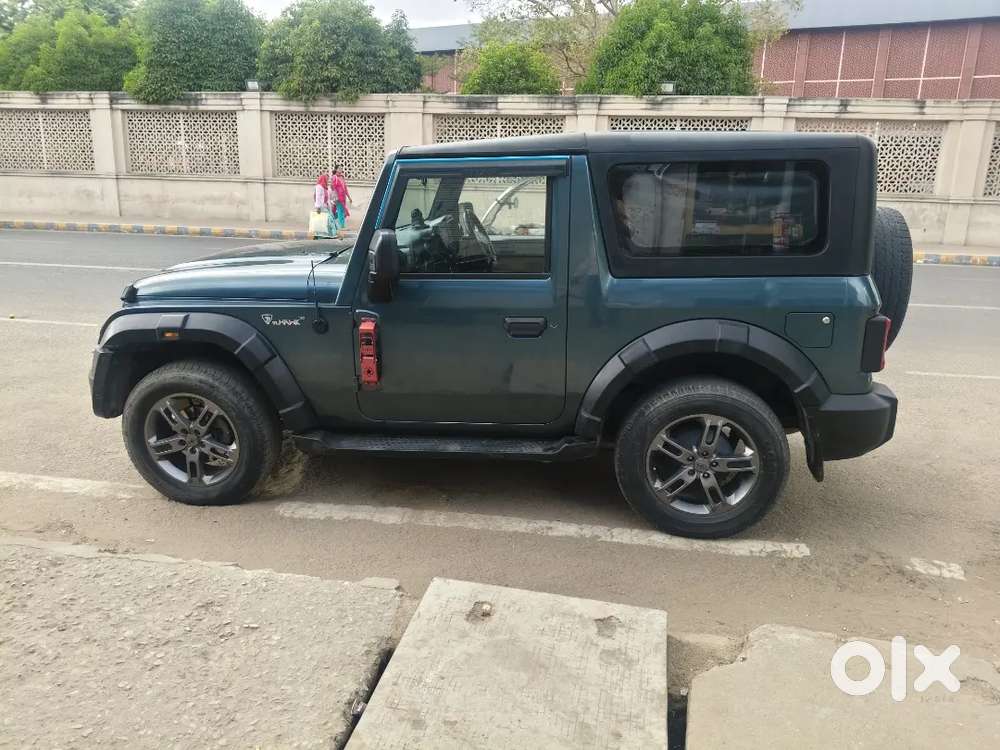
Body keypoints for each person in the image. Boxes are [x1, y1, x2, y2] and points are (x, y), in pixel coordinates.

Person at [329, 165, 352, 231]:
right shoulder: (334, 177)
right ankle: (341, 226)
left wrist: (349, 197)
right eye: (339, 168)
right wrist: (335, 195)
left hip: (343, 197)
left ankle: (331, 219)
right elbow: (332, 187)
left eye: (341, 168)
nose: (341, 169)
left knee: (342, 211)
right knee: (341, 211)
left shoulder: (342, 177)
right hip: (338, 197)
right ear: (336, 169)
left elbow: (345, 188)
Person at [312, 173, 334, 237]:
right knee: (323, 221)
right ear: (323, 179)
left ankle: (327, 234)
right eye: (326, 179)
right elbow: (317, 197)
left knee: (327, 220)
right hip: (321, 207)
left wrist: (331, 203)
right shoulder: (319, 187)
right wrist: (318, 207)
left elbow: (329, 197)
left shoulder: (326, 187)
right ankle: (320, 234)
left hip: (326, 206)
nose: (327, 180)